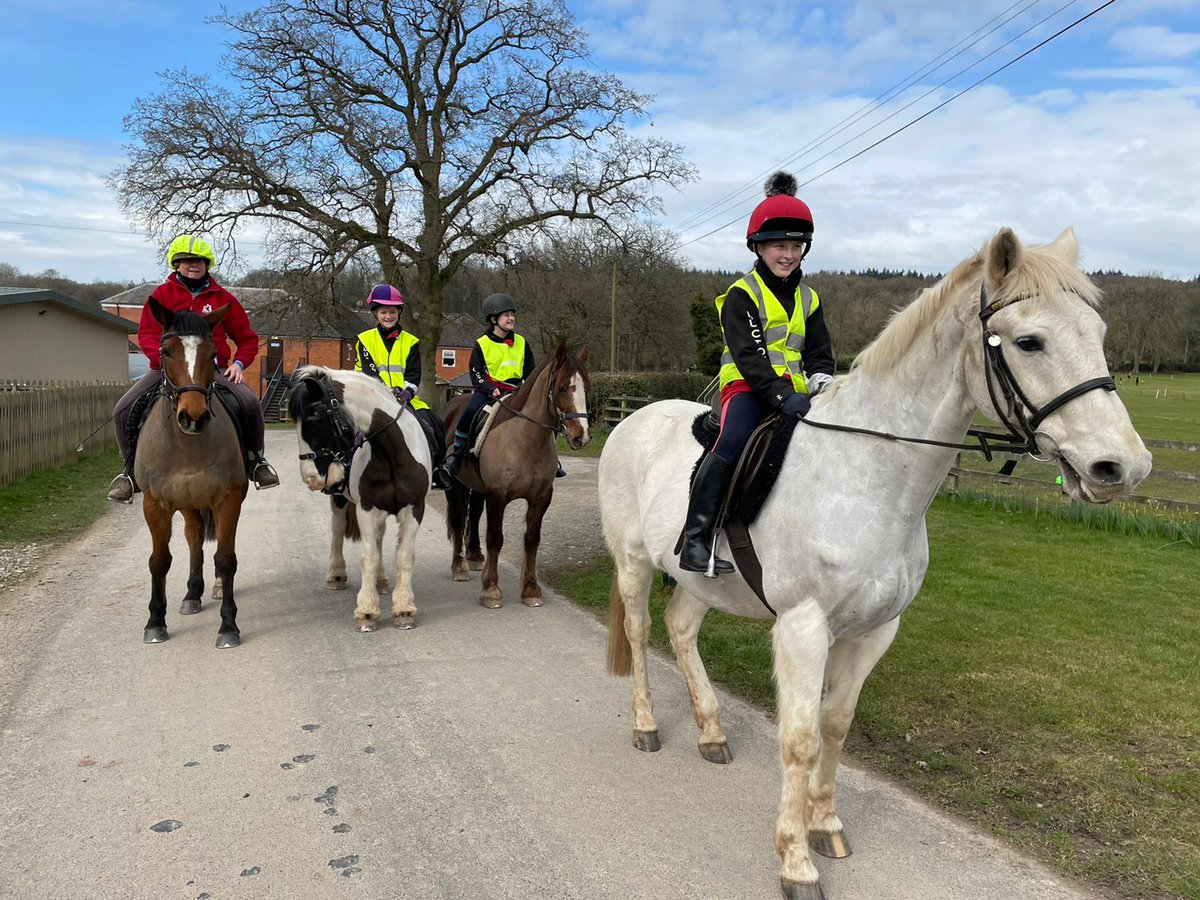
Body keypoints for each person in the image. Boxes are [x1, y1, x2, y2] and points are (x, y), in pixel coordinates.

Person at [678, 172, 835, 574]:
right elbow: (750, 357)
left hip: (799, 392)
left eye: (796, 245)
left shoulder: (810, 297)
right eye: (779, 245)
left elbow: (819, 353)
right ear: (758, 247)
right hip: (747, 389)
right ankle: (696, 540)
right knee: (731, 442)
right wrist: (782, 396)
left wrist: (824, 383)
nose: (788, 254)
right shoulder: (741, 294)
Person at [106, 234, 279, 502]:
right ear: (176, 265)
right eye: (185, 261)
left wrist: (238, 363)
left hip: (213, 370)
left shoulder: (223, 298)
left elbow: (247, 339)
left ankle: (256, 462)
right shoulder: (161, 295)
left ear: (207, 263)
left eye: (198, 260)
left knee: (250, 404)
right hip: (167, 369)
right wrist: (164, 360)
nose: (192, 265)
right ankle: (129, 474)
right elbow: (148, 335)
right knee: (122, 409)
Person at [442, 292, 556, 477]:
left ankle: (552, 460)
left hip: (517, 391)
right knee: (469, 413)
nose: (511, 318)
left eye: (512, 314)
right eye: (506, 315)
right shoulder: (482, 343)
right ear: (494, 319)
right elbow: (475, 372)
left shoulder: (521, 342)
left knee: (545, 414)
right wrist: (490, 388)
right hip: (490, 390)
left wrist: (527, 389)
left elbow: (532, 372)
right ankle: (457, 455)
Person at [353, 284, 451, 491]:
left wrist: (406, 392)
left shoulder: (411, 342)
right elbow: (371, 374)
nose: (388, 316)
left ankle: (436, 470)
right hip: (372, 397)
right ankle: (341, 472)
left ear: (399, 313)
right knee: (347, 427)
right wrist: (386, 393)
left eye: (392, 312)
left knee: (435, 425)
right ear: (375, 314)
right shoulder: (365, 340)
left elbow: (414, 374)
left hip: (405, 398)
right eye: (383, 312)